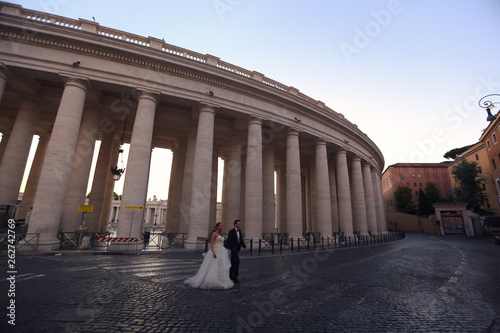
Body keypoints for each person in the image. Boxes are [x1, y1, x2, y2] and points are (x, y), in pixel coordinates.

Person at [184, 222, 234, 289]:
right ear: (216, 227)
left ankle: (222, 279)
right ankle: (212, 280)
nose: (221, 227)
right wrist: (213, 252)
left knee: (221, 265)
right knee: (214, 266)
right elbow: (212, 244)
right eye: (220, 226)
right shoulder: (215, 234)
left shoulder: (221, 234)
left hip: (222, 250)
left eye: (221, 226)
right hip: (216, 251)